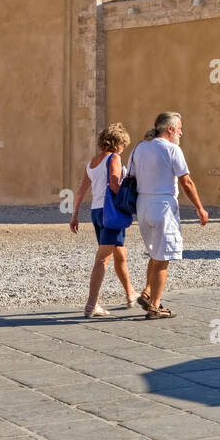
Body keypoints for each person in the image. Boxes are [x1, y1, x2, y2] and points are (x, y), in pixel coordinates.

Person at [128, 112, 208, 319]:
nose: (182, 131)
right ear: (170, 129)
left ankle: (147, 293)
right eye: (179, 128)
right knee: (163, 258)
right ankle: (155, 306)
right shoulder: (173, 149)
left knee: (155, 253)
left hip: (142, 205)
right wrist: (200, 208)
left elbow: (131, 177)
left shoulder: (138, 148)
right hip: (163, 205)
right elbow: (186, 182)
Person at [69, 123, 139, 318]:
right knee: (102, 259)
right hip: (112, 212)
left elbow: (81, 190)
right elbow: (115, 184)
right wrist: (130, 195)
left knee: (119, 252)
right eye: (123, 144)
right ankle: (92, 305)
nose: (123, 148)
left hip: (97, 212)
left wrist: (74, 214)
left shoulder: (93, 162)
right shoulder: (114, 157)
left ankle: (130, 292)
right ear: (118, 143)